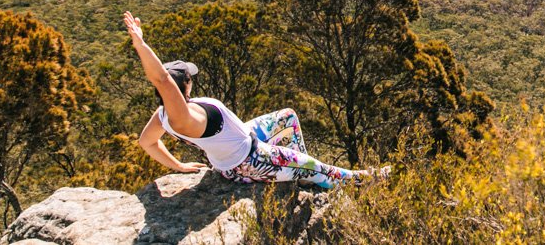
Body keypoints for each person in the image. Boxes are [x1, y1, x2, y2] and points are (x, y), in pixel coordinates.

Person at [124, 10, 383, 188]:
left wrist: (179, 165)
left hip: (245, 141)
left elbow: (147, 142)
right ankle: (364, 180)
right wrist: (140, 44)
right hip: (249, 162)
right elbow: (161, 79)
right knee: (320, 169)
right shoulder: (183, 117)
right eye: (189, 77)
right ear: (184, 84)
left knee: (287, 117)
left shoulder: (163, 117)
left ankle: (299, 175)